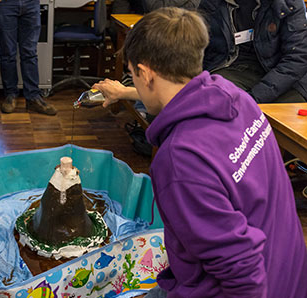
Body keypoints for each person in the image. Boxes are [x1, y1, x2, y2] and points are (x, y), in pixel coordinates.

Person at [102, 7, 307, 297]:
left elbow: (244, 276)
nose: (133, 82)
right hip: (290, 275)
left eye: (132, 75)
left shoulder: (180, 160)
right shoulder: (239, 100)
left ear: (146, 73)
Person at [200, 0, 307, 103]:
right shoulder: (212, 3)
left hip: (282, 76)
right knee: (214, 99)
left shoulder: (288, 3)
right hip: (232, 68)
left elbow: (297, 57)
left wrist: (255, 97)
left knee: (288, 114)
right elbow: (200, 47)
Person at [0, 0, 57, 115]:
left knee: (30, 53)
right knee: (7, 53)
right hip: (5, 4)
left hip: (30, 3)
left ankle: (33, 97)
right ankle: (10, 94)